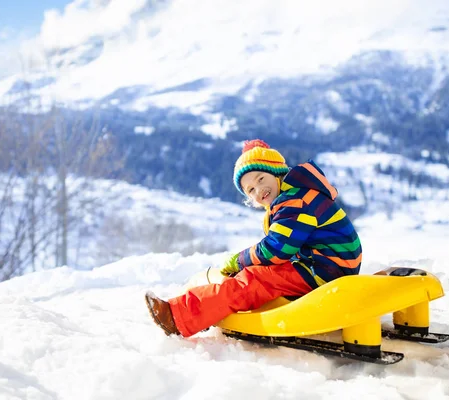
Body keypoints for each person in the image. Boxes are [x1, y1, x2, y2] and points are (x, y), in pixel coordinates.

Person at [145, 139, 362, 337]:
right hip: (327, 264)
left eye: (261, 179)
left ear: (277, 173)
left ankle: (177, 316)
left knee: (253, 281)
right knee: (257, 273)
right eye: (250, 190)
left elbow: (277, 249)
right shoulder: (294, 195)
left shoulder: (295, 202)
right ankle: (204, 308)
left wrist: (240, 260)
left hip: (324, 271)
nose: (259, 190)